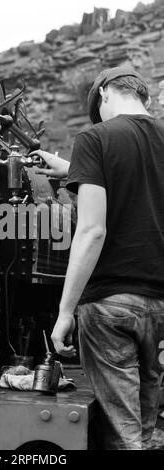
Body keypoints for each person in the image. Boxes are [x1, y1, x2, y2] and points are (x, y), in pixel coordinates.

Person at [30, 66, 164, 450]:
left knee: (123, 435)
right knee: (147, 428)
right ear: (145, 98)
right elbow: (139, 185)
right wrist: (69, 169)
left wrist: (65, 311)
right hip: (160, 307)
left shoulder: (96, 137)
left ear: (104, 93)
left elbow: (93, 229)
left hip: (110, 307)